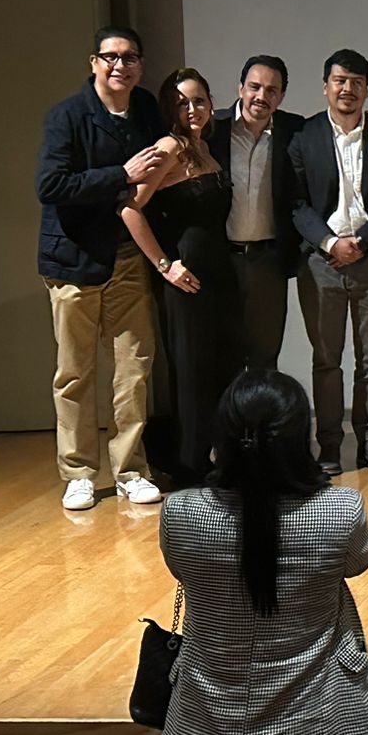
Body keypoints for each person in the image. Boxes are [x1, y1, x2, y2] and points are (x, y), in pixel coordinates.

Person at [154, 369, 368, 735]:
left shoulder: (181, 512)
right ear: (299, 438)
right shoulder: (340, 510)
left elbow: (182, 571)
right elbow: (359, 560)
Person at [36, 25, 166, 510]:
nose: (120, 66)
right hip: (72, 259)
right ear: (93, 62)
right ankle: (79, 472)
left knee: (134, 367)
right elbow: (51, 186)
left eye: (130, 57)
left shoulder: (146, 108)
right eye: (110, 57)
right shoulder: (67, 117)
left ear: (140, 65)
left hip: (128, 257)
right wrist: (121, 176)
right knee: (75, 372)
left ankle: (131, 468)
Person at [289, 49, 368, 475]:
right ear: (325, 86)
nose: (348, 89)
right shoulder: (303, 136)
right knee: (326, 359)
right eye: (340, 80)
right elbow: (295, 203)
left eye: (356, 82)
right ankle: (328, 446)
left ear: (366, 89)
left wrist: (360, 241)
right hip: (320, 264)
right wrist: (328, 243)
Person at [120, 68, 241, 485]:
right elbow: (130, 210)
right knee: (191, 372)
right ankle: (190, 467)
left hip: (219, 274)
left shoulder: (205, 146)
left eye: (200, 100)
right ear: (169, 109)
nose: (193, 109)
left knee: (222, 367)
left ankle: (216, 456)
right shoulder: (169, 147)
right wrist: (164, 265)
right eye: (182, 103)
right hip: (185, 278)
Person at [206, 55, 307, 372]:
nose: (261, 96)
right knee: (223, 354)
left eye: (271, 90)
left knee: (265, 356)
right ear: (240, 88)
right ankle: (228, 423)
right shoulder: (213, 130)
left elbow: (334, 130)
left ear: (281, 96)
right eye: (254, 87)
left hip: (268, 261)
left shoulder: (295, 131)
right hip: (221, 258)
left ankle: (264, 422)